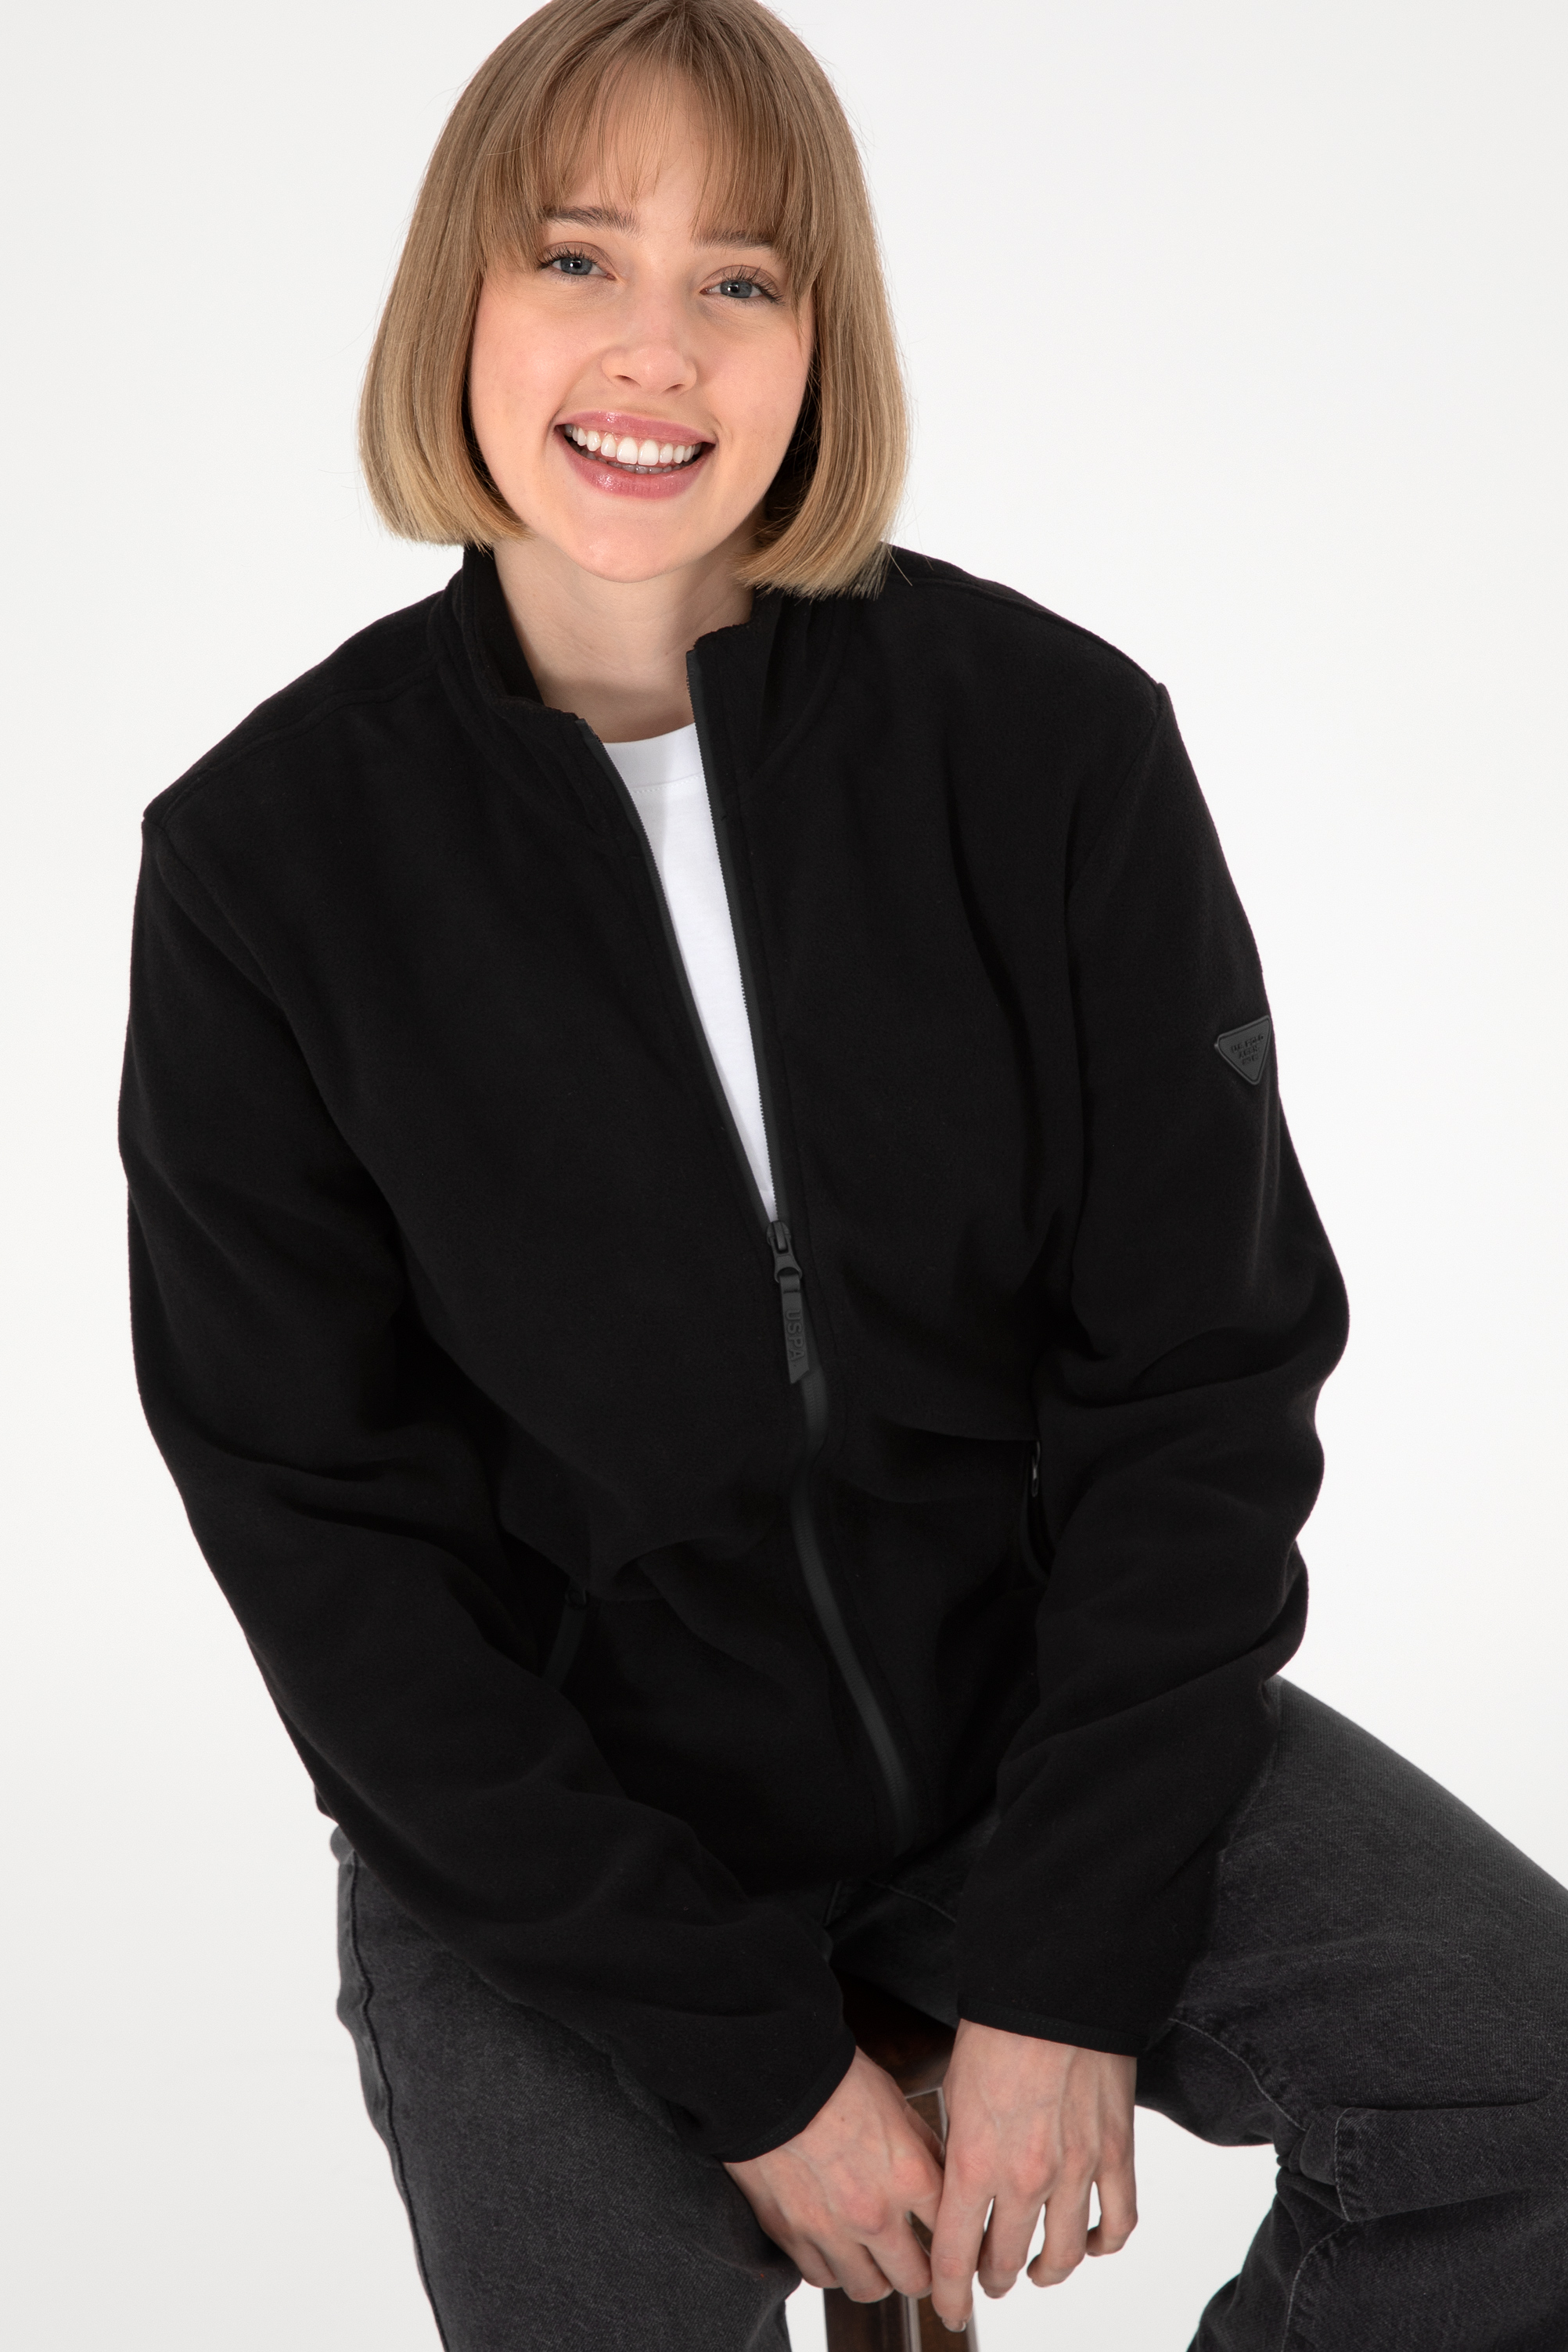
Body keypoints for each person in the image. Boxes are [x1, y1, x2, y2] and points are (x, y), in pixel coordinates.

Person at [119, 2, 1568, 2344]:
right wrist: (764, 2072)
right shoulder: (266, 865)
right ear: (458, 297)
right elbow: (325, 1549)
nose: (656, 348)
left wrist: (1063, 1966)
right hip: (559, 1845)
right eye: (577, 256)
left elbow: (1196, 1374)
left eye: (743, 278)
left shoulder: (1051, 748)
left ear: (821, 344)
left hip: (1028, 1736)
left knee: (1538, 2093)